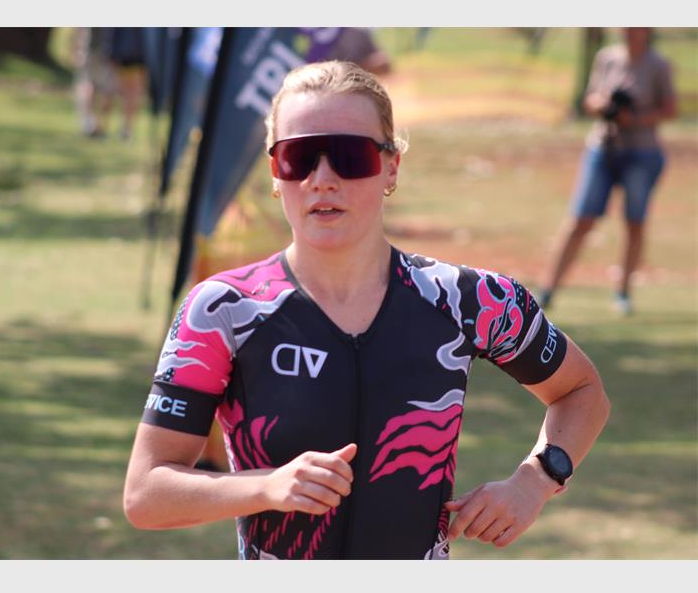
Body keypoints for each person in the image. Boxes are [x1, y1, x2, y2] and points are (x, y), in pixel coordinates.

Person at [123, 61, 610, 559]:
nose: (322, 179)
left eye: (350, 156)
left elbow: (581, 390)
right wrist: (266, 487)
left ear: (391, 166)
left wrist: (536, 480)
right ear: (275, 173)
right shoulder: (224, 310)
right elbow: (145, 494)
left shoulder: (467, 299)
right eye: (298, 157)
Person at [538, 28, 678, 316]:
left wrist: (635, 117)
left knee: (634, 222)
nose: (628, 32)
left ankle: (623, 293)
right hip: (603, 147)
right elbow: (590, 98)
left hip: (642, 151)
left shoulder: (658, 65)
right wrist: (602, 106)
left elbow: (669, 109)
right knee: (581, 219)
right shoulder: (607, 58)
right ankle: (548, 290)